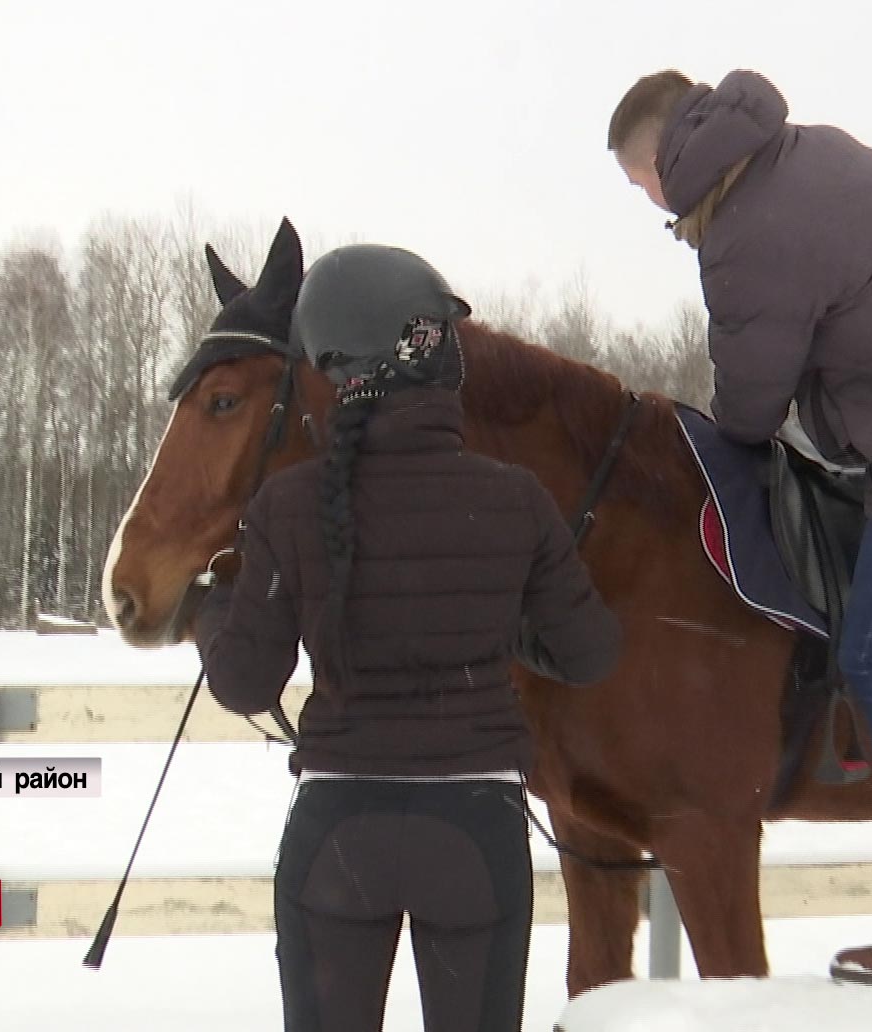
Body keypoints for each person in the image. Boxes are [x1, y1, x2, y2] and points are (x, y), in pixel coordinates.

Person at [606, 69, 872, 986]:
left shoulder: (742, 237)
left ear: (662, 154)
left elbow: (750, 409)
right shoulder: (806, 150)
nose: (648, 203)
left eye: (638, 183)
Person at [193, 243, 623, 1030]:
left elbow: (245, 683)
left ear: (333, 357)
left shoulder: (288, 506)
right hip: (475, 837)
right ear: (427, 356)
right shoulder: (517, 499)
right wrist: (497, 621)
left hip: (337, 842)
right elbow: (590, 651)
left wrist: (211, 612)